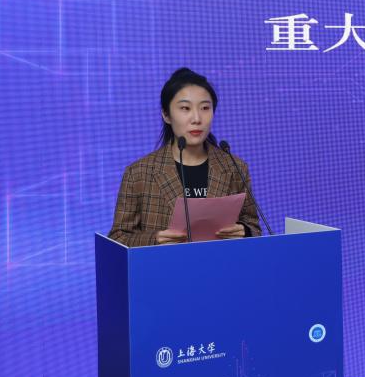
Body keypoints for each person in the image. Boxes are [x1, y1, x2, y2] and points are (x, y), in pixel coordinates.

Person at [109, 68, 262, 246]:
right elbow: (118, 238)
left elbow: (254, 226)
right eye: (185, 108)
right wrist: (154, 240)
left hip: (221, 263)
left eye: (205, 108)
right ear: (166, 115)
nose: (196, 118)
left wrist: (245, 231)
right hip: (164, 263)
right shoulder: (138, 173)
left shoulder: (235, 167)